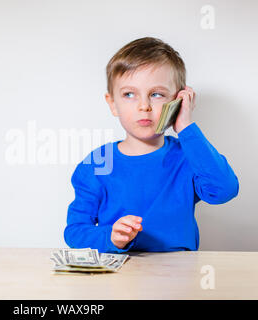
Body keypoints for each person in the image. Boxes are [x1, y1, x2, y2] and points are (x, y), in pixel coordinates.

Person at [64, 37, 239, 253]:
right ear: (112, 104)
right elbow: (75, 232)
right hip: (119, 276)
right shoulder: (98, 163)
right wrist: (111, 237)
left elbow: (224, 190)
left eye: (156, 94)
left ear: (178, 100)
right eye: (129, 94)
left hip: (178, 276)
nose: (144, 106)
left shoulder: (187, 155)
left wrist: (185, 126)